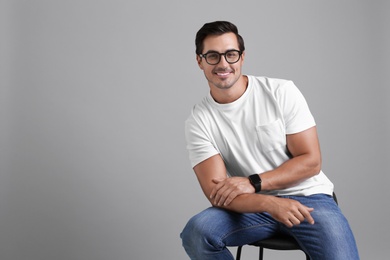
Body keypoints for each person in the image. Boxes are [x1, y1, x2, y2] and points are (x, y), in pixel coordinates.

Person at [180, 21, 359, 260]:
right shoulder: (198, 120)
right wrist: (268, 204)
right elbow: (216, 192)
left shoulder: (281, 92)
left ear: (242, 58)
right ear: (199, 61)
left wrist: (253, 182)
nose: (223, 64)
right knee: (197, 232)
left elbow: (311, 161)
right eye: (212, 56)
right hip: (251, 207)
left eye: (230, 54)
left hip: (310, 198)